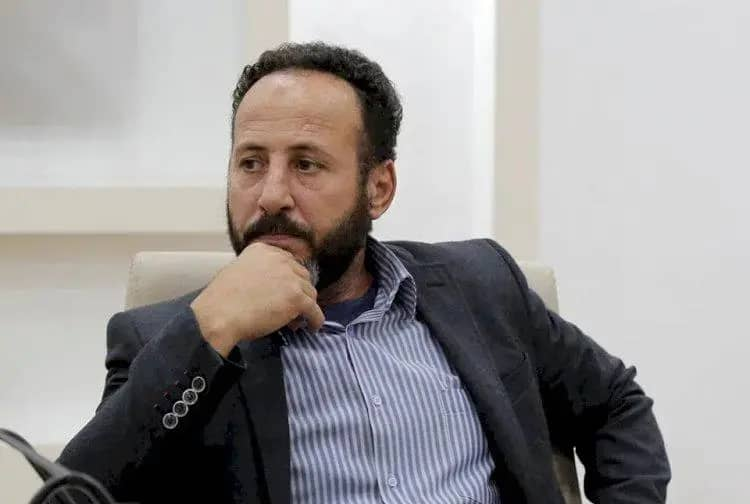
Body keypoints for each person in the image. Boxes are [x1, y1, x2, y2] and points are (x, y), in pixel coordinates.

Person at [58, 42, 670, 504]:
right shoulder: (168, 340)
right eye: (251, 163)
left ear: (378, 188)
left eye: (306, 164)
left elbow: (615, 403)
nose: (270, 195)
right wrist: (211, 328)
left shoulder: (481, 284)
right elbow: (75, 495)